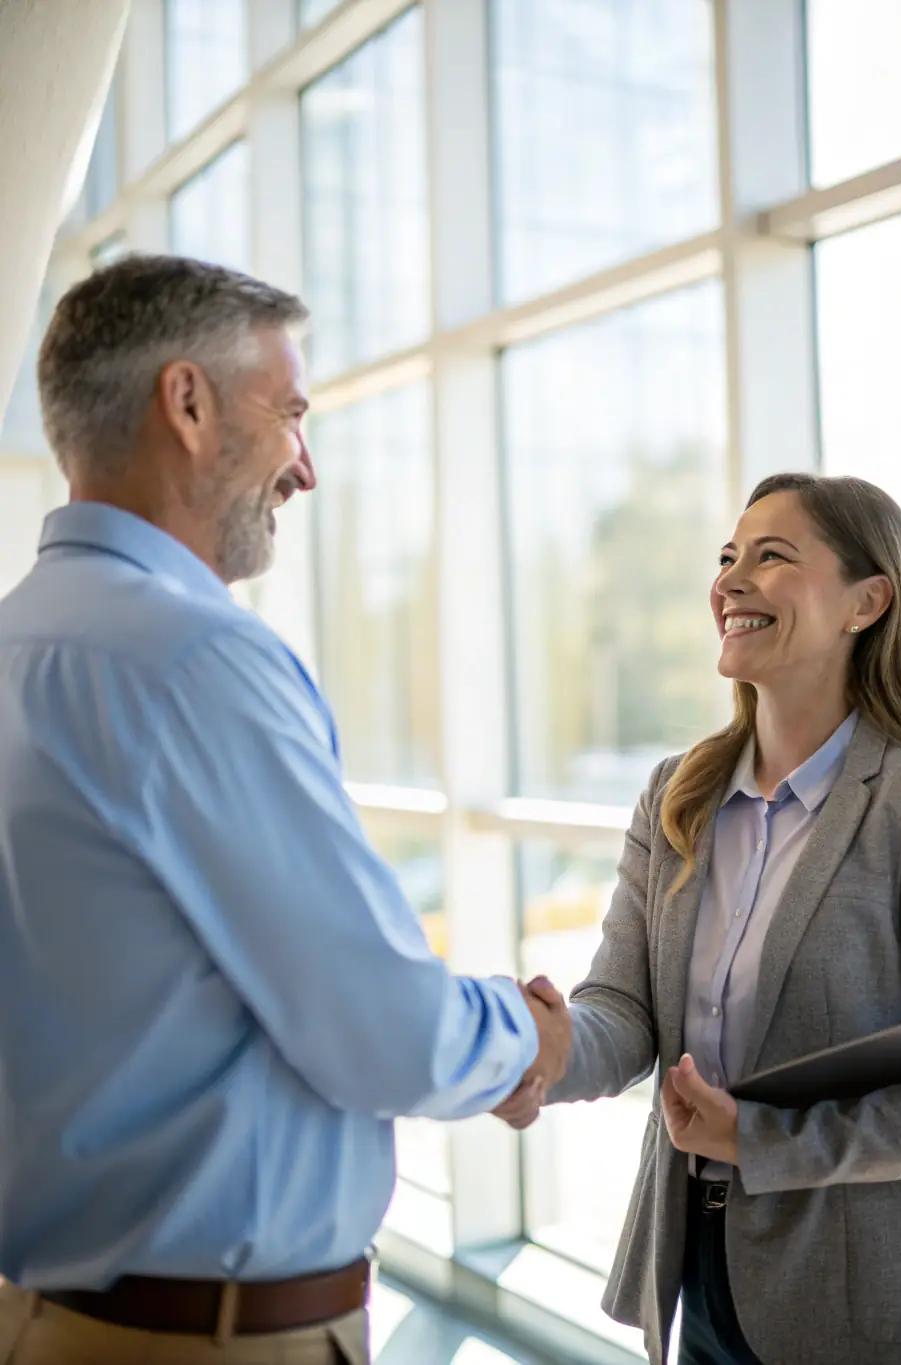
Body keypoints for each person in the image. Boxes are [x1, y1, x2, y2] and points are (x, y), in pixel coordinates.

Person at [0, 254, 571, 1365]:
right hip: (200, 1344)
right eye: (291, 415)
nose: (303, 467)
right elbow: (387, 1035)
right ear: (189, 402)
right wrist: (527, 1037)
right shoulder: (191, 657)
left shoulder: (18, 645)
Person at [496, 472, 901, 1365]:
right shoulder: (679, 796)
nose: (731, 580)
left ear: (869, 600)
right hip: (695, 1279)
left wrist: (758, 1140)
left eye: (771, 556)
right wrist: (546, 1053)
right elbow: (622, 1011)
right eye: (728, 558)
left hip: (864, 1311)